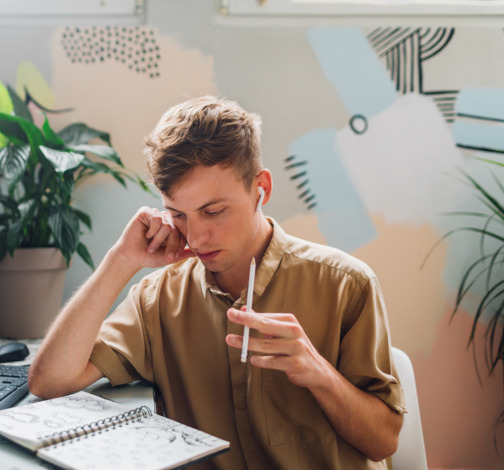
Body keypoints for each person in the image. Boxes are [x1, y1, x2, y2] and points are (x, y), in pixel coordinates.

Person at [29, 96, 405, 469]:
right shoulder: (157, 299)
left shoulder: (346, 284)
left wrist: (319, 374)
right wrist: (120, 260)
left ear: (262, 189)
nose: (196, 236)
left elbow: (382, 441)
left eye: (214, 211)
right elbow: (49, 382)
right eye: (178, 214)